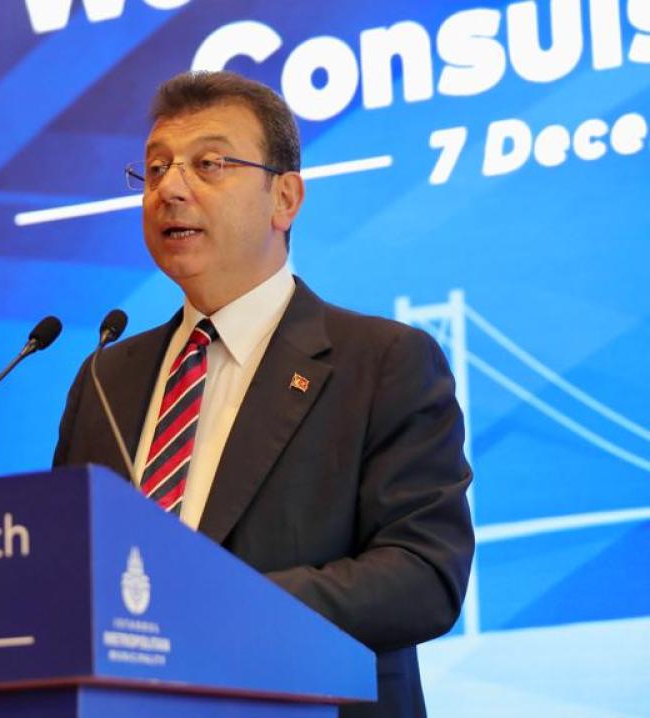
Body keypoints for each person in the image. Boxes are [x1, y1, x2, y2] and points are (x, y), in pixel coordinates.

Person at [53, 71, 474, 718]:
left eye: (209, 164)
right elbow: (67, 575)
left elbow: (424, 575)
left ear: (285, 198)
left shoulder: (383, 363)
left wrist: (213, 611)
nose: (170, 188)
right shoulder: (105, 378)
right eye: (156, 168)